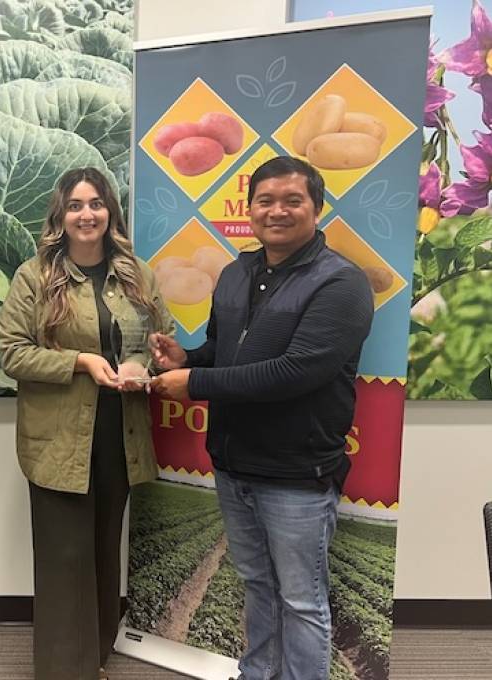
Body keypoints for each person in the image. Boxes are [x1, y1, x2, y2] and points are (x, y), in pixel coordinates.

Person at [148, 156, 374, 680]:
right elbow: (222, 350)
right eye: (265, 200)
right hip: (233, 464)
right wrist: (187, 360)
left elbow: (293, 373)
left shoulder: (341, 283)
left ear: (316, 208)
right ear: (249, 210)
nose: (277, 211)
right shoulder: (234, 273)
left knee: (301, 600)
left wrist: (195, 384)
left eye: (292, 200)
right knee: (256, 585)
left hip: (298, 473)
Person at [0, 167, 172, 680]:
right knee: (63, 556)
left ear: (110, 213)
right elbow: (12, 353)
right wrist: (80, 362)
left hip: (121, 434)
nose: (87, 214)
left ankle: (92, 656)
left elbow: (163, 339)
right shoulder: (35, 276)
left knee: (101, 550)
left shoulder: (138, 275)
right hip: (58, 440)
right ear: (61, 215)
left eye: (96, 203)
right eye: (75, 205)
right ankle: (61, 670)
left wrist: (151, 365)